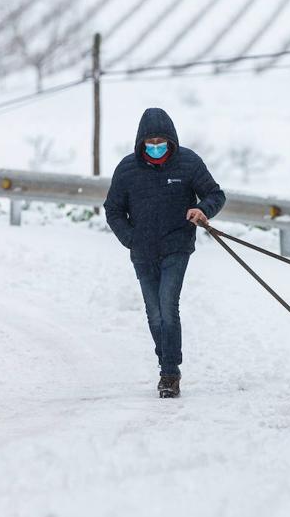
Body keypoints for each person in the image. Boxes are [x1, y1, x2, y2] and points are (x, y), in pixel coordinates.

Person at [104, 107, 225, 398]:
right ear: (141, 142)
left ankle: (169, 373)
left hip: (176, 246)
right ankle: (167, 359)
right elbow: (113, 209)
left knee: (168, 309)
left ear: (171, 141)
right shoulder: (127, 169)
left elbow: (215, 194)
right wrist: (130, 238)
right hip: (142, 251)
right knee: (154, 313)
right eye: (150, 142)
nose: (156, 147)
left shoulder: (188, 163)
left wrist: (202, 210)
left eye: (161, 142)